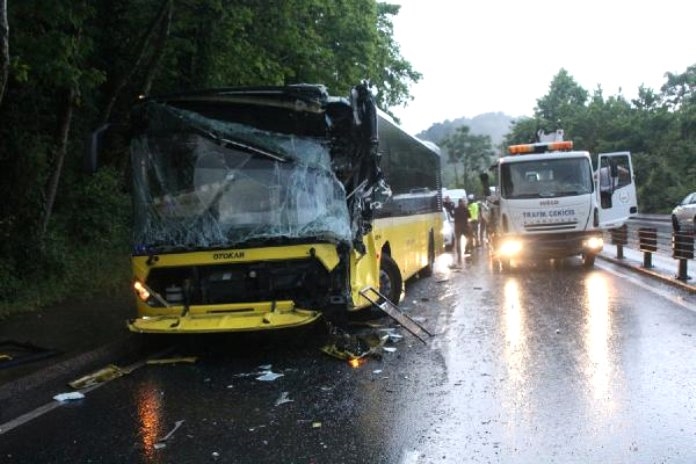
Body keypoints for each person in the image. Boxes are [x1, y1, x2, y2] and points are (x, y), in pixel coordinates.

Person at [453, 198, 470, 264]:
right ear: (461, 202)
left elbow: (454, 217)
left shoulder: (456, 209)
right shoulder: (465, 208)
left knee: (458, 240)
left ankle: (459, 252)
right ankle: (466, 249)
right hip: (464, 227)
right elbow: (469, 216)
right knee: (468, 238)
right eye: (462, 202)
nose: (463, 203)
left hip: (458, 227)